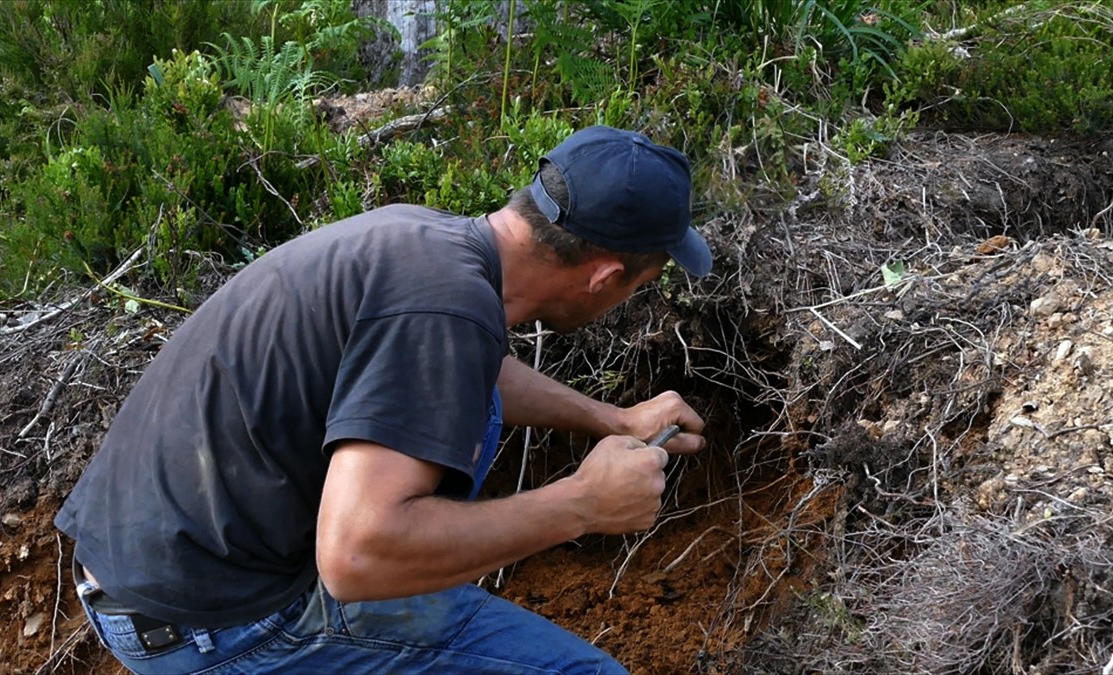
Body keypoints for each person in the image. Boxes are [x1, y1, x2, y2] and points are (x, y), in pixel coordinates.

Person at [55, 125, 712, 674]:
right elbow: (356, 555)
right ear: (604, 275)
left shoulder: (427, 244)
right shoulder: (446, 307)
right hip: (215, 621)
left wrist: (614, 418)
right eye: (640, 284)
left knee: (471, 409)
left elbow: (458, 371)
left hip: (149, 575)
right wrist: (580, 505)